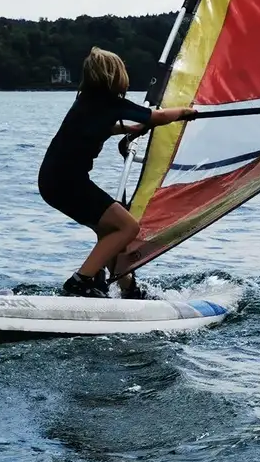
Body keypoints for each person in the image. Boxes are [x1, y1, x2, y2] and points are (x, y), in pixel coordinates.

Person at [38, 47, 197, 298]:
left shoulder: (87, 103)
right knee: (128, 228)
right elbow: (157, 116)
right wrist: (184, 113)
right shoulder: (110, 103)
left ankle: (126, 288)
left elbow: (100, 127)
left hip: (53, 181)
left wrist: (128, 128)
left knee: (112, 232)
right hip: (67, 183)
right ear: (114, 78)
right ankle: (82, 281)